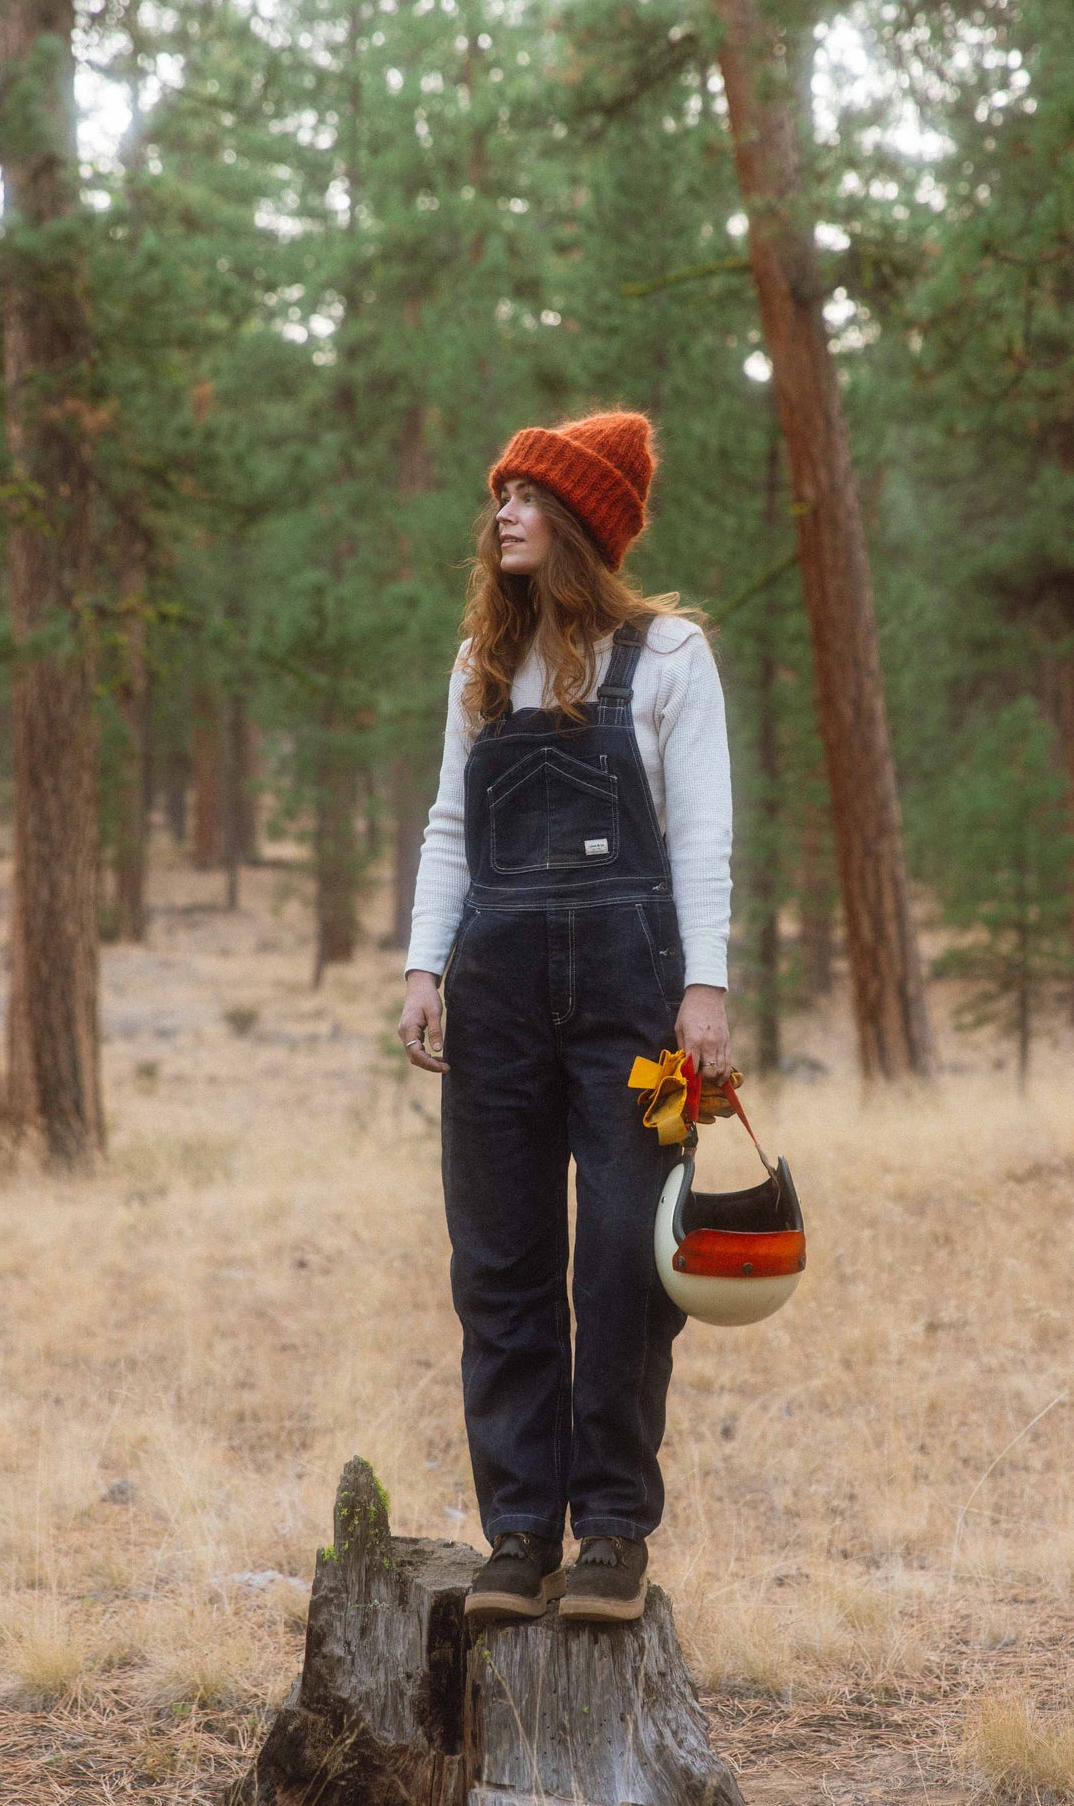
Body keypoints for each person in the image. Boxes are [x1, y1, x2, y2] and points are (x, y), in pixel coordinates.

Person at [397, 411, 733, 1625]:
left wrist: (707, 989)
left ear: (583, 521)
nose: (506, 513)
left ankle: (612, 1535)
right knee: (499, 1261)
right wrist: (421, 966)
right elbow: (448, 829)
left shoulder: (671, 656)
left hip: (636, 997)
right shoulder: (481, 666)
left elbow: (701, 838)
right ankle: (520, 1531)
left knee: (625, 1263)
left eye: (531, 495)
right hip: (491, 990)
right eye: (500, 494)